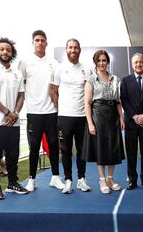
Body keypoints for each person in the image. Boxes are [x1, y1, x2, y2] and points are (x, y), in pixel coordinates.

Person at [0, 37, 29, 200]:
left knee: (13, 155)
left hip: (13, 123)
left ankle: (12, 183)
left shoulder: (17, 73)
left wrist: (15, 113)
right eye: (2, 49)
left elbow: (21, 96)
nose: (5, 52)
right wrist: (8, 112)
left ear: (12, 53)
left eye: (8, 50)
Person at [18, 30, 65, 191]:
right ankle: (31, 180)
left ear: (46, 43)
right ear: (33, 42)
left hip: (51, 112)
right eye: (37, 40)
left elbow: (57, 88)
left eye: (42, 40)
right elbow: (20, 85)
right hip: (33, 112)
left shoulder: (54, 63)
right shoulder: (24, 62)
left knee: (53, 144)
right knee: (34, 147)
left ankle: (56, 178)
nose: (39, 43)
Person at [50, 38, 92, 194]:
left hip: (82, 117)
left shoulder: (87, 70)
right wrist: (60, 108)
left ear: (80, 50)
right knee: (65, 150)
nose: (73, 50)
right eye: (70, 47)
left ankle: (81, 179)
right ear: (65, 49)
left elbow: (90, 94)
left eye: (76, 47)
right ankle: (68, 180)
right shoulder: (59, 69)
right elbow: (53, 91)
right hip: (65, 117)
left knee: (82, 150)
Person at [82, 50, 125, 194]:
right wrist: (90, 123)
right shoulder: (91, 79)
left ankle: (111, 178)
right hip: (98, 115)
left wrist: (121, 117)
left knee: (113, 147)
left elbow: (118, 101)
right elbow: (87, 103)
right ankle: (102, 179)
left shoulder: (115, 79)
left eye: (104, 60)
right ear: (95, 62)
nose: (101, 63)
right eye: (99, 60)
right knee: (101, 147)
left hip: (113, 115)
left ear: (108, 62)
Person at [120, 53, 143, 190]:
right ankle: (132, 180)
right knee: (131, 153)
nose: (138, 64)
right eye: (136, 62)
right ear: (132, 64)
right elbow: (124, 100)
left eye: (141, 62)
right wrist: (135, 116)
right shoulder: (125, 81)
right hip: (131, 123)